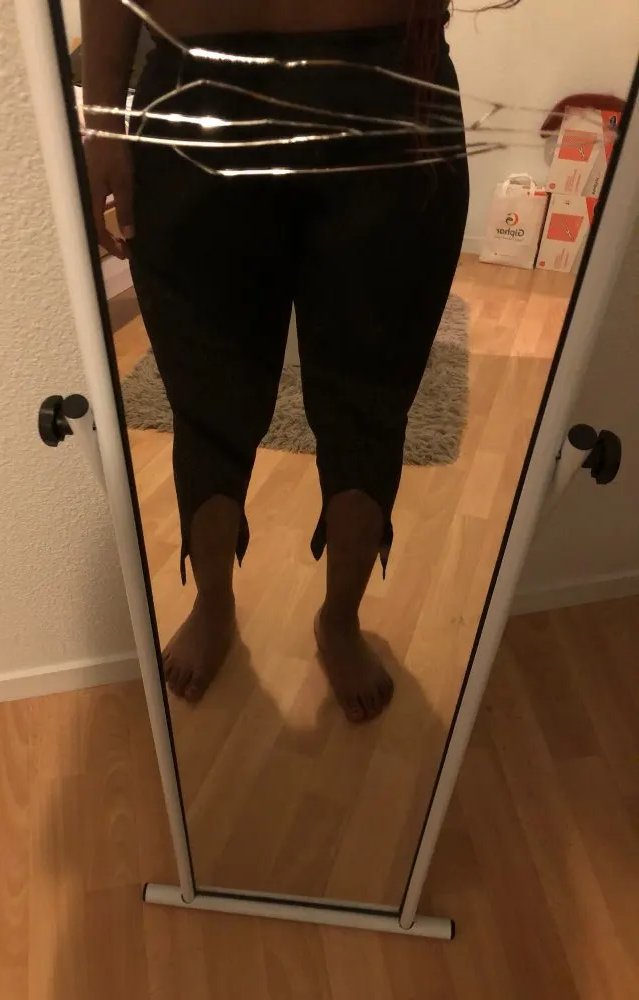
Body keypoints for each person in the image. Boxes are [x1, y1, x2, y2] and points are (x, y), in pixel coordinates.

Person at [81, 0, 516, 722]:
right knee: (205, 389)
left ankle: (339, 620)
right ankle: (214, 604)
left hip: (388, 84)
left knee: (370, 393)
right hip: (195, 89)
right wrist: (102, 122)